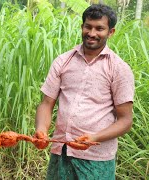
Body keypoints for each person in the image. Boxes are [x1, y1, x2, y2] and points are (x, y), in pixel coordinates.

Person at [34, 4, 134, 179]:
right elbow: (46, 104)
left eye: (99, 28)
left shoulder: (119, 69)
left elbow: (125, 120)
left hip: (97, 159)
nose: (92, 33)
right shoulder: (63, 61)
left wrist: (94, 137)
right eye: (88, 26)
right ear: (82, 27)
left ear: (111, 32)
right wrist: (41, 129)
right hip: (61, 152)